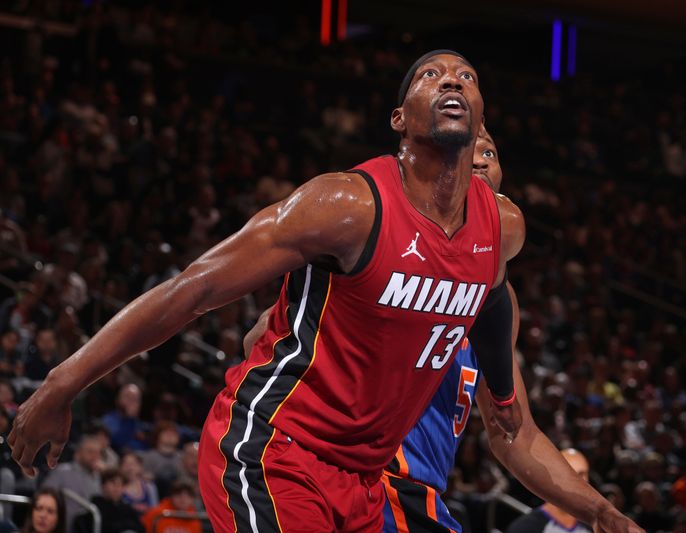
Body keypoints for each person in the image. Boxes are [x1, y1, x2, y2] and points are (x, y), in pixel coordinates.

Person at [12, 49, 524, 532]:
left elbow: (494, 303)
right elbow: (193, 289)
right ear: (398, 120)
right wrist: (62, 384)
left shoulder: (500, 226)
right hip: (274, 449)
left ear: (480, 122)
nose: (453, 78)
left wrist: (501, 390)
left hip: (362, 480)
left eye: (467, 76)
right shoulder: (346, 205)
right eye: (430, 75)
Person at [241, 128, 643, 533]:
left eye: (491, 152)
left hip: (419, 497)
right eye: (470, 151)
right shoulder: (384, 245)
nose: (481, 159)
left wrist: (602, 513)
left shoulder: (498, 300)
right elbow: (260, 340)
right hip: (361, 480)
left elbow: (513, 435)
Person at [505, 449, 594, 533]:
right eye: (572, 474)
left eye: (583, 475)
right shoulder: (524, 528)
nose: (581, 482)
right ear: (554, 478)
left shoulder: (594, 525)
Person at [41, 435, 102, 532]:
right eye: (90, 452)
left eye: (98, 453)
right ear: (78, 453)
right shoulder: (63, 471)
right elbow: (45, 495)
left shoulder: (99, 477)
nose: (95, 457)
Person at [73, 468, 144, 533]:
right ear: (103, 486)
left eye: (121, 484)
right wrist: (127, 526)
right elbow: (103, 528)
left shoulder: (127, 508)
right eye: (113, 483)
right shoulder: (94, 508)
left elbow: (141, 528)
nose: (117, 487)